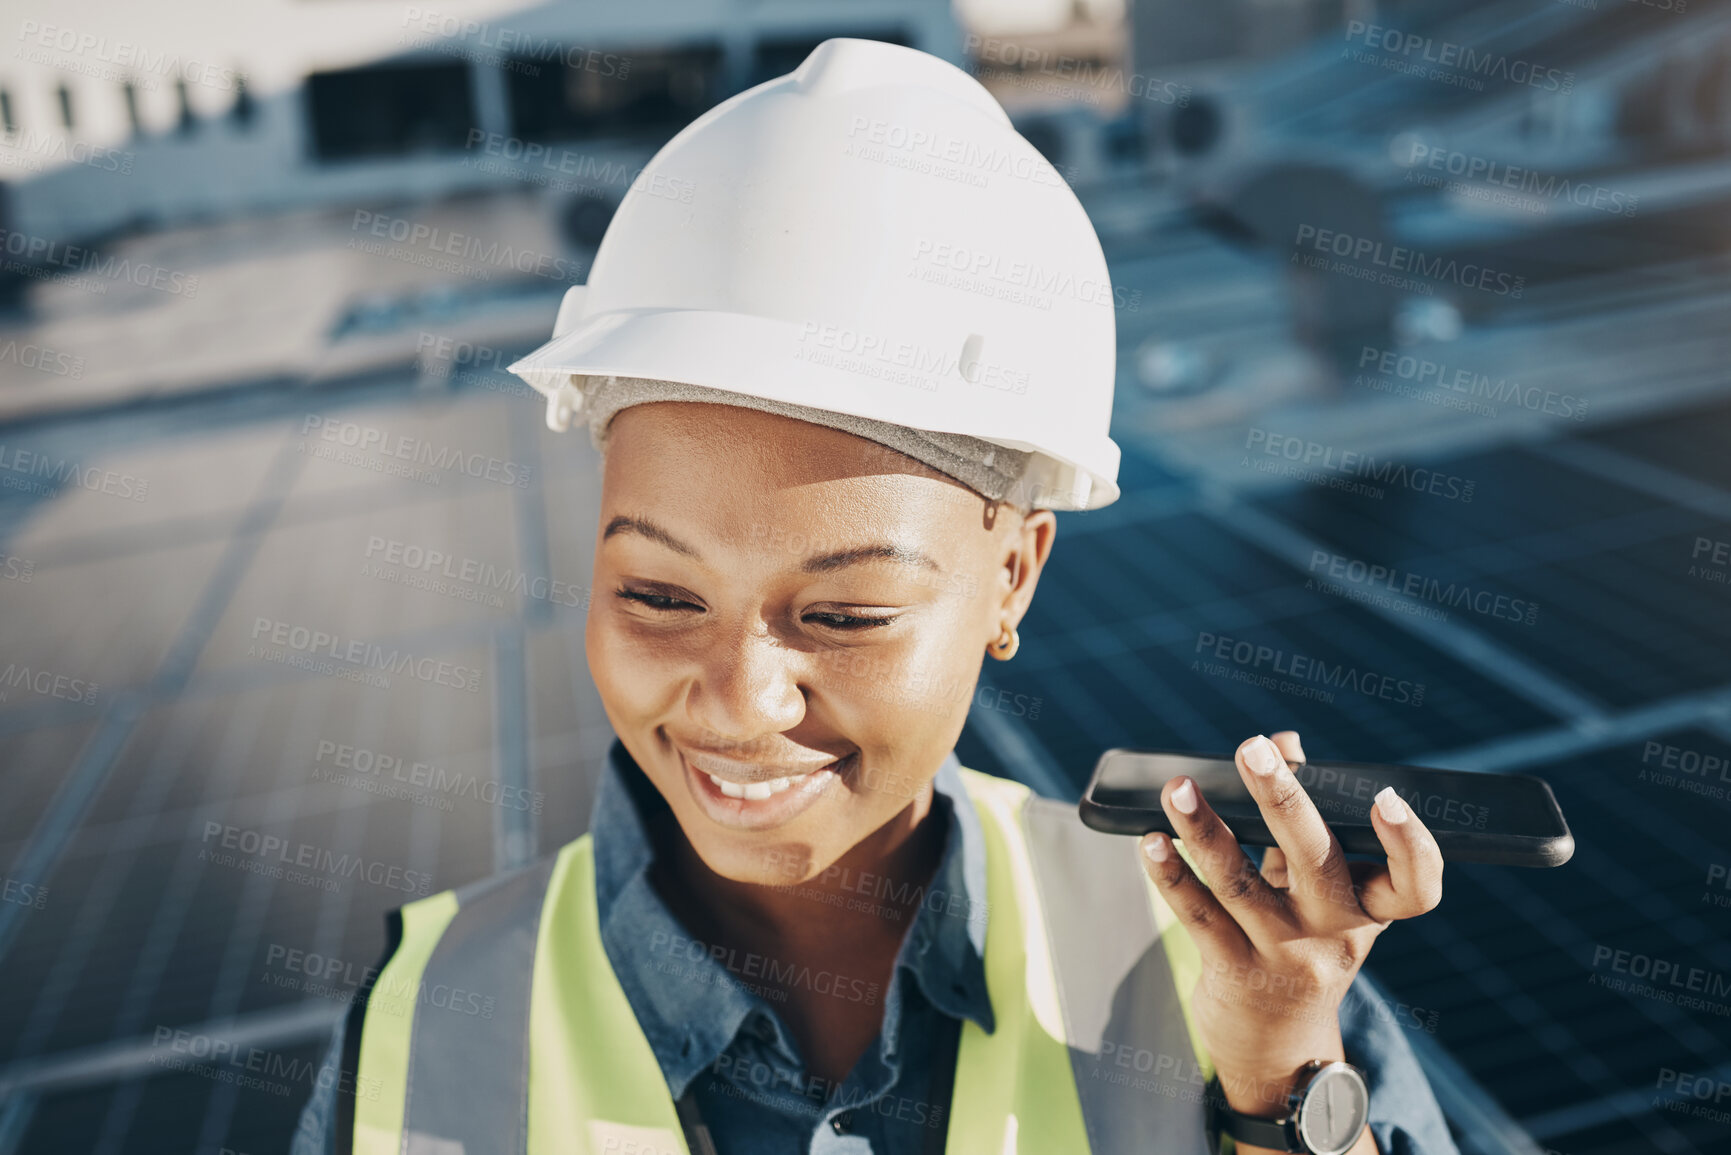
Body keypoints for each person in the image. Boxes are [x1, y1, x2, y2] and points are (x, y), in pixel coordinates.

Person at [294, 38, 1459, 1155]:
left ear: (1015, 576)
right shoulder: (421, 1028)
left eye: (845, 616)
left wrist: (1278, 1084)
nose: (742, 704)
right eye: (656, 593)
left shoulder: (1242, 962)